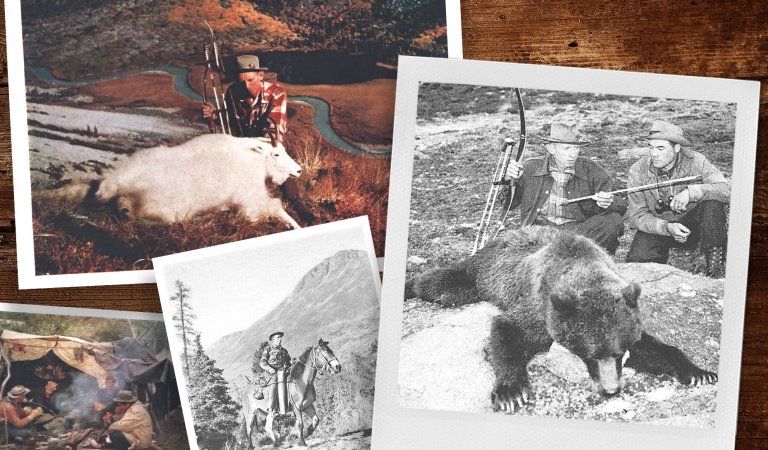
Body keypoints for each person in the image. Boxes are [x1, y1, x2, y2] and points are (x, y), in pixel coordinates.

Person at [202, 54, 315, 223]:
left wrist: (253, 149)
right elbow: (229, 119)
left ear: (260, 76)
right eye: (242, 82)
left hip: (269, 141)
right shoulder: (233, 92)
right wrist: (213, 116)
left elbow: (273, 129)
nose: (246, 86)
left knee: (279, 162)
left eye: (250, 80)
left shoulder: (276, 93)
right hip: (243, 142)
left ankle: (297, 203)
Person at [625, 120, 730, 277]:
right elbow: (636, 216)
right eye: (651, 148)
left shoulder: (697, 161)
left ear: (677, 148)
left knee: (713, 205)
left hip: (695, 227)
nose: (654, 154)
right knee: (637, 267)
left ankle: (715, 269)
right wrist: (667, 227)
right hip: (659, 227)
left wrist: (692, 192)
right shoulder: (637, 170)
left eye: (661, 148)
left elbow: (727, 190)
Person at [504, 122, 627, 254]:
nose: (572, 155)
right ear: (551, 148)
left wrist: (609, 202)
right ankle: (576, 255)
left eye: (576, 149)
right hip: (540, 233)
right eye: (567, 149)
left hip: (577, 233)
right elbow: (508, 204)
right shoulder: (530, 168)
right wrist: (509, 181)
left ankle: (577, 256)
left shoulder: (591, 169)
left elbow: (621, 205)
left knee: (613, 220)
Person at [257, 331, 292, 412]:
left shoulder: (284, 351)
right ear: (273, 340)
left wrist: (290, 365)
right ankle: (271, 408)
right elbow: (262, 362)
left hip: (281, 372)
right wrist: (269, 369)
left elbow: (288, 362)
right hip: (270, 373)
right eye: (278, 338)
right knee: (274, 386)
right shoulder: (268, 349)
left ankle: (290, 406)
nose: (280, 339)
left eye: (280, 337)